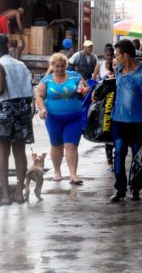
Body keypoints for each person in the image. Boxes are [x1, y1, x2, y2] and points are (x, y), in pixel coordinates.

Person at [0, 34, 34, 205]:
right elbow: (30, 91)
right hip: (23, 111)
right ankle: (19, 193)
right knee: (20, 152)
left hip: (5, 113)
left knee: (2, 153)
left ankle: (6, 196)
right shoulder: (21, 64)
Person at [109, 39, 142, 203]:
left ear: (126, 55)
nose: (115, 58)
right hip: (118, 121)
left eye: (117, 55)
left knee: (138, 156)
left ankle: (135, 188)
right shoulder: (119, 69)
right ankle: (119, 189)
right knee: (119, 154)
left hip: (137, 123)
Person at [36, 53, 89, 184]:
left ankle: (73, 175)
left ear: (66, 65)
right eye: (57, 66)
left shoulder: (75, 76)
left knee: (71, 146)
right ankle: (57, 171)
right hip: (53, 118)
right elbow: (39, 96)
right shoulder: (47, 80)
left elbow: (86, 87)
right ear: (52, 66)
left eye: (62, 66)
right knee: (56, 145)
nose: (60, 69)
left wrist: (86, 90)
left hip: (73, 118)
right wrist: (42, 109)